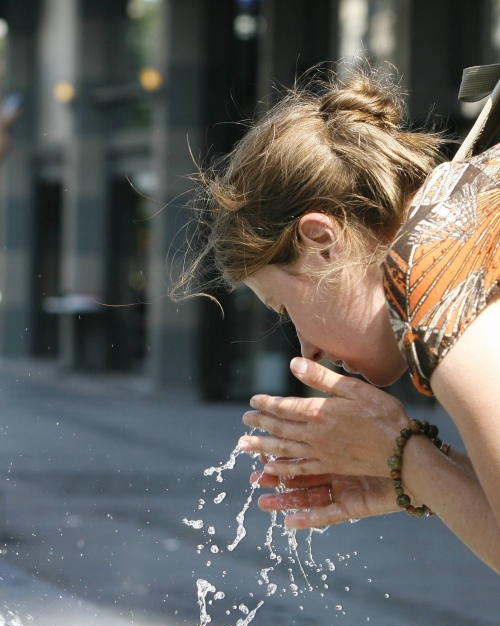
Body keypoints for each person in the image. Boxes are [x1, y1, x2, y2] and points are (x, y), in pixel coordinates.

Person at [173, 69, 500, 573]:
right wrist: (418, 470)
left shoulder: (438, 280)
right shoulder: (464, 214)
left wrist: (405, 457)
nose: (306, 352)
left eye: (285, 310)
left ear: (322, 242)